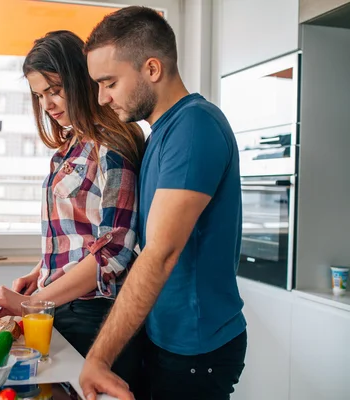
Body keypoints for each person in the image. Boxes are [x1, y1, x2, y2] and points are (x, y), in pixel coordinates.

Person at [79, 6, 247, 400]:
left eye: (109, 82)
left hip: (196, 347)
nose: (103, 98)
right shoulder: (161, 133)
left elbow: (161, 252)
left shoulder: (194, 126)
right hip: (167, 338)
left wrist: (99, 358)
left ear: (151, 69)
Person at [0, 30, 146, 391]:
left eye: (55, 90)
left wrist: (30, 303)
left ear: (81, 79)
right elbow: (78, 232)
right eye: (40, 95)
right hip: (64, 305)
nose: (48, 104)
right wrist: (40, 272)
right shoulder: (71, 147)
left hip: (95, 316)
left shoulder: (111, 145)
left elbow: (113, 251)